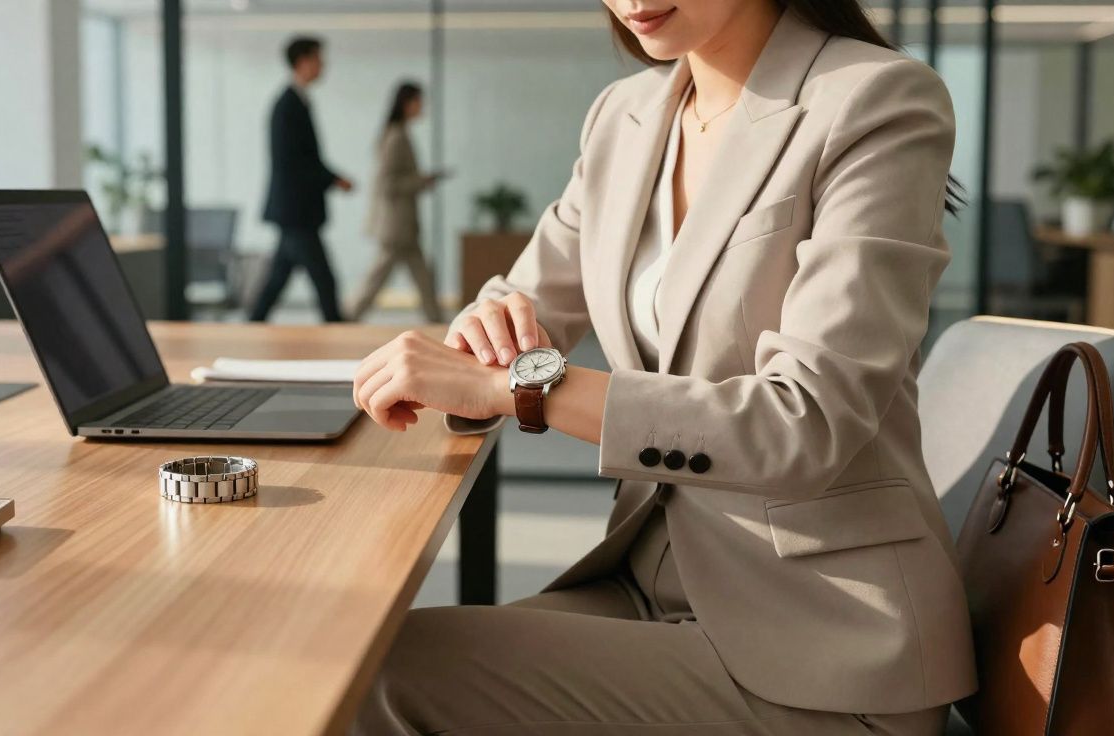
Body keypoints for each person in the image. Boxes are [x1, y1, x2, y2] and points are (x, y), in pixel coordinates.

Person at [350, 1, 976, 735]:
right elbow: (526, 296)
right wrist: (486, 329)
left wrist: (523, 389)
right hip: (647, 582)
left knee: (388, 679)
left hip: (824, 644)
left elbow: (805, 420)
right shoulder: (625, 114)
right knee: (357, 660)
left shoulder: (874, 98)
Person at [249, 36, 353, 323]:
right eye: (319, 59)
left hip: (295, 211)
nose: (323, 66)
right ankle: (337, 327)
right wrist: (333, 179)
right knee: (324, 280)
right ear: (303, 61)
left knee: (278, 279)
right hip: (296, 211)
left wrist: (333, 178)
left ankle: (252, 323)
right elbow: (294, 161)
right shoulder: (288, 105)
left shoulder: (298, 101)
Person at [348, 82, 444, 323]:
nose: (422, 107)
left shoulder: (399, 134)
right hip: (396, 226)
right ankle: (347, 317)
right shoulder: (396, 137)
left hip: (403, 226)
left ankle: (437, 320)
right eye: (419, 101)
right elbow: (387, 183)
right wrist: (420, 181)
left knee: (421, 277)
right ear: (407, 103)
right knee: (379, 277)